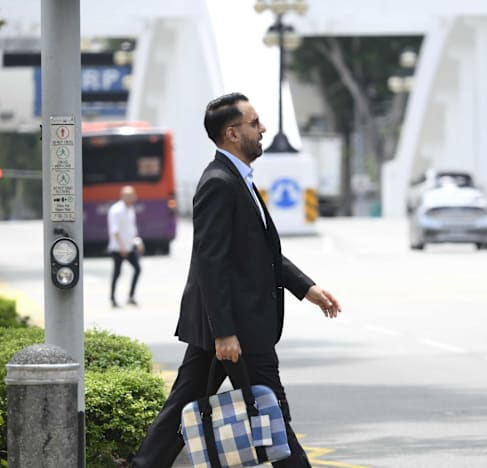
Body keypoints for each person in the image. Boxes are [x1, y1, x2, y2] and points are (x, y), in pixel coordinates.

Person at [131, 92, 341, 468]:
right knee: (272, 414)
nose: (263, 129)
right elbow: (211, 262)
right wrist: (224, 332)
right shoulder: (219, 183)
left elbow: (257, 251)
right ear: (232, 133)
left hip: (224, 325)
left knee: (180, 414)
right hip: (236, 328)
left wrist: (305, 287)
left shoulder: (237, 179)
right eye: (254, 123)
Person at [107, 185, 144, 308]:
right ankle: (112, 298)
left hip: (130, 246)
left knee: (137, 269)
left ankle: (131, 296)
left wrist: (138, 242)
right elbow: (115, 230)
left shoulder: (131, 209)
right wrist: (122, 247)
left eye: (131, 195)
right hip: (118, 248)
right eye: (127, 196)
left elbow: (132, 229)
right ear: (122, 196)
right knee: (117, 273)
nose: (130, 198)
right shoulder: (116, 210)